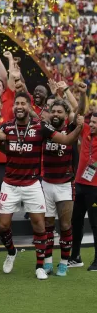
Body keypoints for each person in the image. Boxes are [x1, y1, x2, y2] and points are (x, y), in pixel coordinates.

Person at [0, 92, 83, 280]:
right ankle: (12, 252)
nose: (20, 106)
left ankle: (40, 266)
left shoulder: (41, 127)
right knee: (2, 226)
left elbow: (66, 140)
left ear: (29, 106)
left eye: (24, 103)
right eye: (17, 103)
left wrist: (80, 127)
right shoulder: (6, 127)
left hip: (33, 184)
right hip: (10, 184)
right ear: (13, 107)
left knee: (40, 225)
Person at [42, 100, 76, 276]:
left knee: (65, 225)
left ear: (65, 114)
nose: (56, 114)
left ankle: (63, 262)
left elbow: (80, 111)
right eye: (53, 111)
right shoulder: (44, 129)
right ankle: (47, 262)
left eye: (59, 111)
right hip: (46, 183)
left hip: (65, 184)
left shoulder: (71, 128)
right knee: (47, 225)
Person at [69, 112, 97, 271]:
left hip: (95, 188)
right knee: (76, 221)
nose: (91, 124)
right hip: (79, 185)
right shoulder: (85, 131)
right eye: (91, 121)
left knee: (95, 224)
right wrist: (64, 91)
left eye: (95, 122)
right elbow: (75, 111)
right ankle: (75, 257)